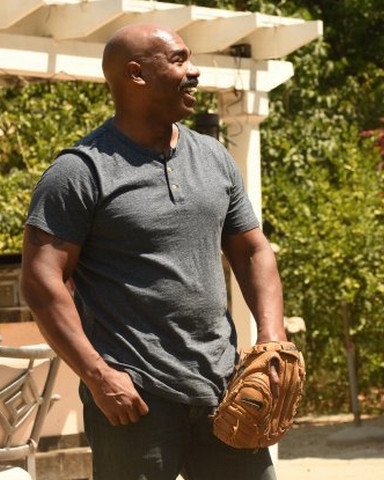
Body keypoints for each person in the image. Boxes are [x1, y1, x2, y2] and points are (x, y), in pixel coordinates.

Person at [20, 24, 286, 480]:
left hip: (222, 389)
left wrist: (272, 339)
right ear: (136, 74)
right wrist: (98, 376)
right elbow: (42, 282)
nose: (194, 71)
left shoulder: (213, 157)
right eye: (179, 60)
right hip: (133, 398)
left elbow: (252, 252)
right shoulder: (80, 172)